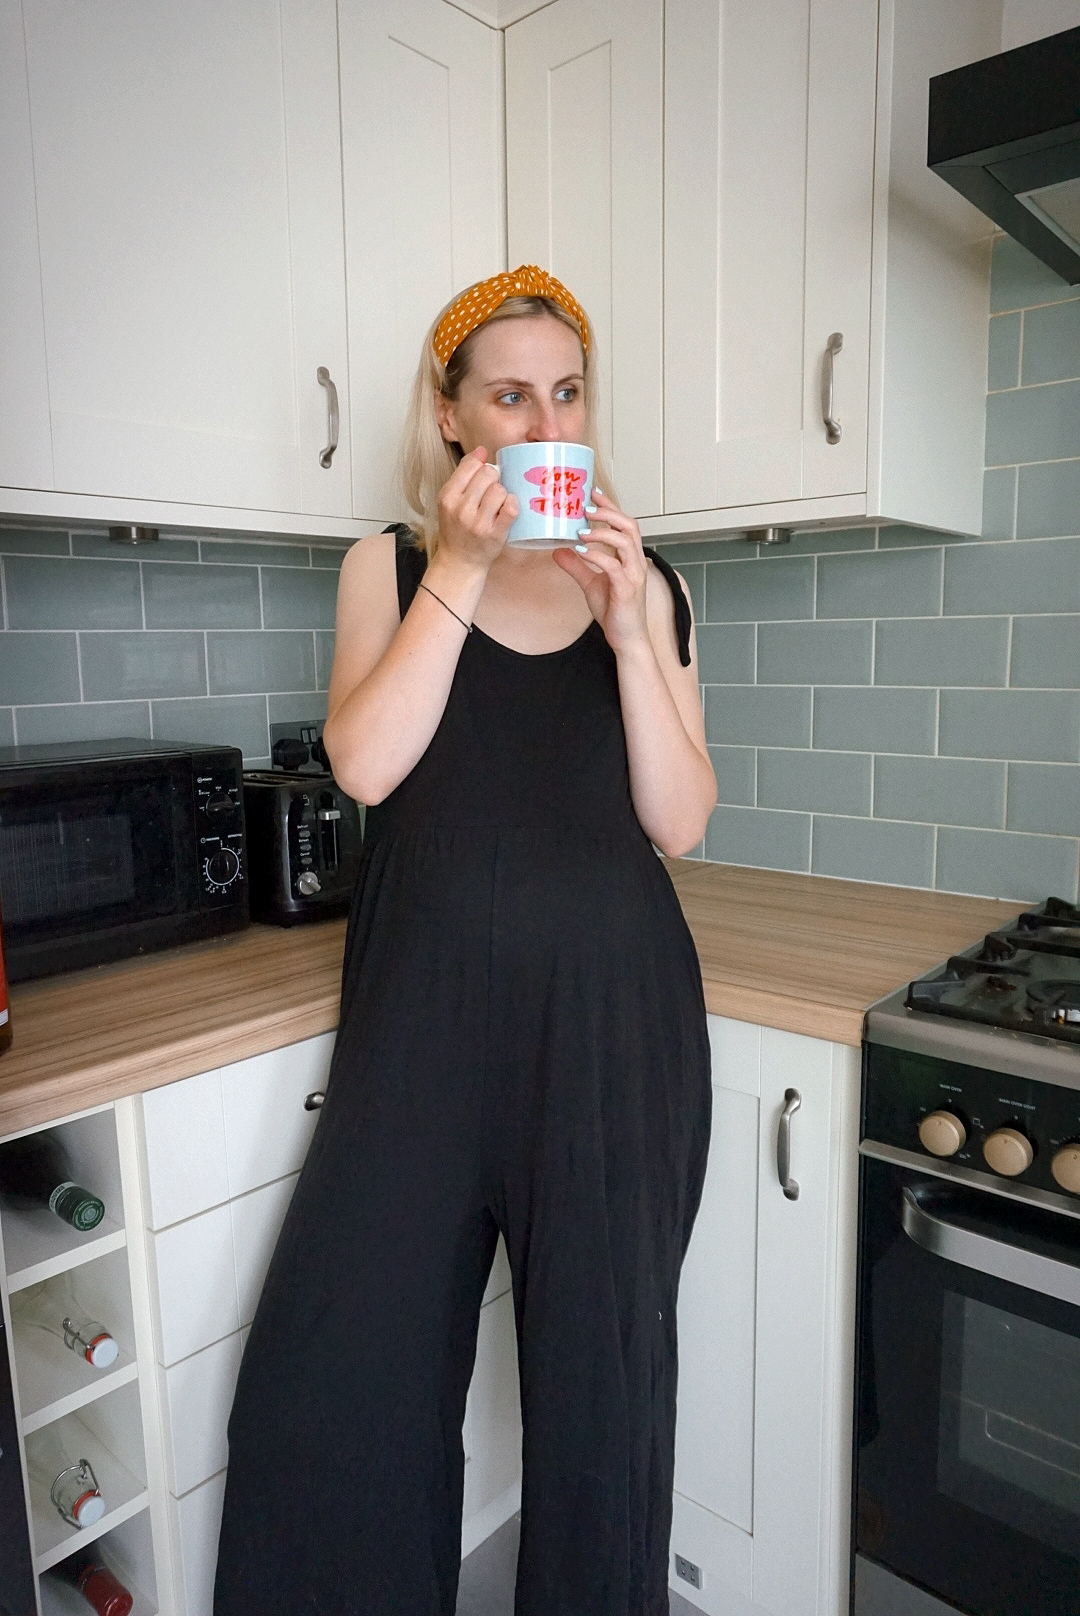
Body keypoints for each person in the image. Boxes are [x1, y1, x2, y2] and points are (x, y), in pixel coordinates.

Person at [214, 265, 717, 1616]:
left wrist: (629, 638)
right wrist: (465, 568)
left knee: (603, 1409)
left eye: (566, 393)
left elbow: (681, 819)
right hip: (421, 1031)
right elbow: (366, 766)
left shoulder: (648, 582)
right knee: (332, 1389)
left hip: (614, 1037)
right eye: (510, 394)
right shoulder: (386, 565)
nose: (543, 421)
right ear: (452, 420)